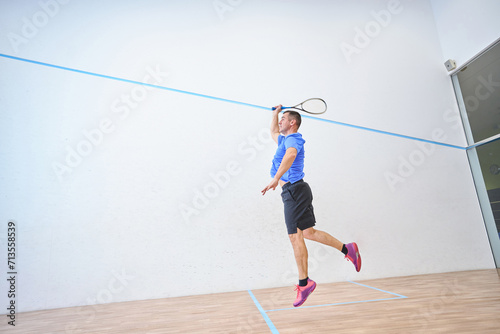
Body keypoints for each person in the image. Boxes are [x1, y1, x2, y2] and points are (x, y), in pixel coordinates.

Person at [261, 105, 361, 307]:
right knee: (308, 233)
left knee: (294, 236)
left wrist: (276, 179)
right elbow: (273, 132)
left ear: (293, 122)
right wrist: (275, 113)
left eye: (283, 119)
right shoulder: (283, 139)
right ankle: (347, 249)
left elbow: (290, 155)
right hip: (295, 191)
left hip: (294, 192)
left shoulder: (294, 138)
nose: (280, 122)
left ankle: (304, 284)